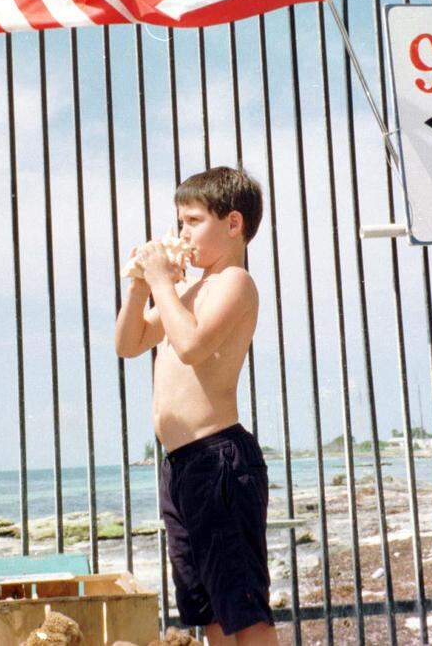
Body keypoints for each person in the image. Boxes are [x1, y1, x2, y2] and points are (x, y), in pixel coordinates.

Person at [114, 167, 277, 646]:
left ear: (233, 224)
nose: (181, 232)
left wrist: (163, 284)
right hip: (182, 465)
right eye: (179, 221)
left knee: (243, 610)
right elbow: (128, 343)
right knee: (208, 611)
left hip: (219, 458)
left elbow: (191, 346)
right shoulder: (186, 290)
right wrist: (142, 285)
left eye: (192, 220)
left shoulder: (234, 282)